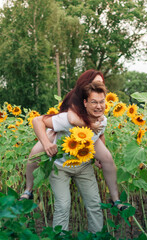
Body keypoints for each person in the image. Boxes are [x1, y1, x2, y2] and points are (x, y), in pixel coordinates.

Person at [20, 69, 124, 211]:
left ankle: (115, 198)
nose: (99, 85)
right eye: (95, 82)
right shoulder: (75, 97)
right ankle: (28, 190)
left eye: (101, 83)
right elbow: (71, 119)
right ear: (86, 83)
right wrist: (47, 143)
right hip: (62, 130)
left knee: (107, 159)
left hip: (88, 134)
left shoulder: (98, 100)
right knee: (35, 154)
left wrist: (99, 153)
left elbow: (100, 131)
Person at [33, 81, 107, 232]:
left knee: (95, 204)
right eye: (94, 102)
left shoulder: (103, 121)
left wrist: (100, 155)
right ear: (85, 103)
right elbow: (37, 120)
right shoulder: (68, 119)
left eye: (101, 102)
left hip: (83, 166)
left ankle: (97, 236)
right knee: (63, 205)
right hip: (60, 167)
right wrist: (47, 143)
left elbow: (100, 135)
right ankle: (61, 237)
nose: (99, 106)